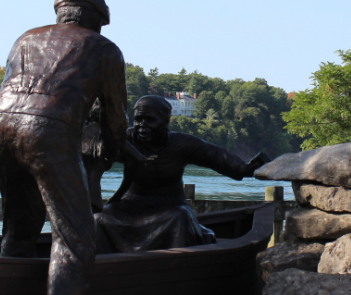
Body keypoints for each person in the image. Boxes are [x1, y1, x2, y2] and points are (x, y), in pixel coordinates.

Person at [0, 0, 142, 295]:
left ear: (62, 14)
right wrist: (113, 144)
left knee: (20, 228)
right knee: (75, 236)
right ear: (97, 21)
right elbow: (115, 114)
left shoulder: (26, 38)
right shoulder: (104, 49)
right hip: (46, 130)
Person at [94, 95, 270, 253]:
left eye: (150, 120)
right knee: (99, 218)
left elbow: (215, 156)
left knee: (180, 218)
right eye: (138, 119)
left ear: (165, 121)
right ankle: (103, 265)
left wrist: (245, 169)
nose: (142, 126)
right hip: (132, 204)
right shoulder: (127, 139)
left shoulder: (181, 144)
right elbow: (96, 152)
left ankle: (177, 268)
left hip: (170, 206)